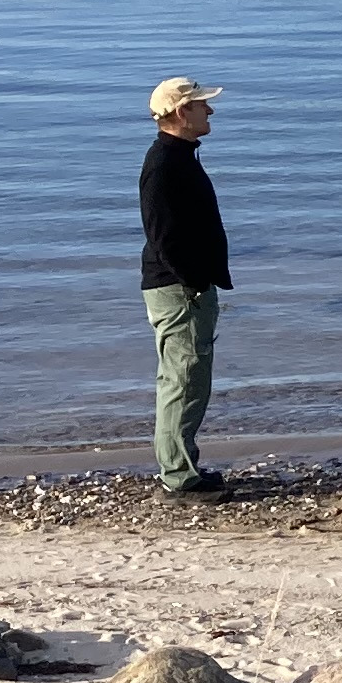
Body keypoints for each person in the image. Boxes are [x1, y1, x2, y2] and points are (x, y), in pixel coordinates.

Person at [137, 76, 231, 497]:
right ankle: (178, 475)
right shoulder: (163, 164)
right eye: (201, 106)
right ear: (180, 113)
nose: (209, 111)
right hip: (179, 289)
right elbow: (162, 234)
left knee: (188, 378)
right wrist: (193, 282)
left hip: (186, 286)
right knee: (183, 380)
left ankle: (183, 465)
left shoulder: (181, 156)